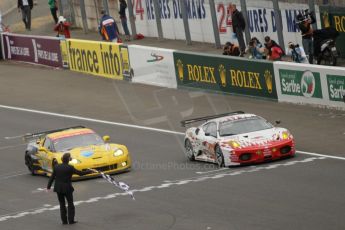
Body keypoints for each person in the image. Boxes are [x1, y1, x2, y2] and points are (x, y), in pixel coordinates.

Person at [47, 153, 92, 225]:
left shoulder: (56, 167)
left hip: (58, 188)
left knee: (62, 204)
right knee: (70, 204)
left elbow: (52, 177)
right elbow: (80, 173)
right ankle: (71, 220)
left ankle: (64, 221)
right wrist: (89, 171)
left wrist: (48, 187)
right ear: (69, 160)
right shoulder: (70, 167)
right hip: (67, 188)